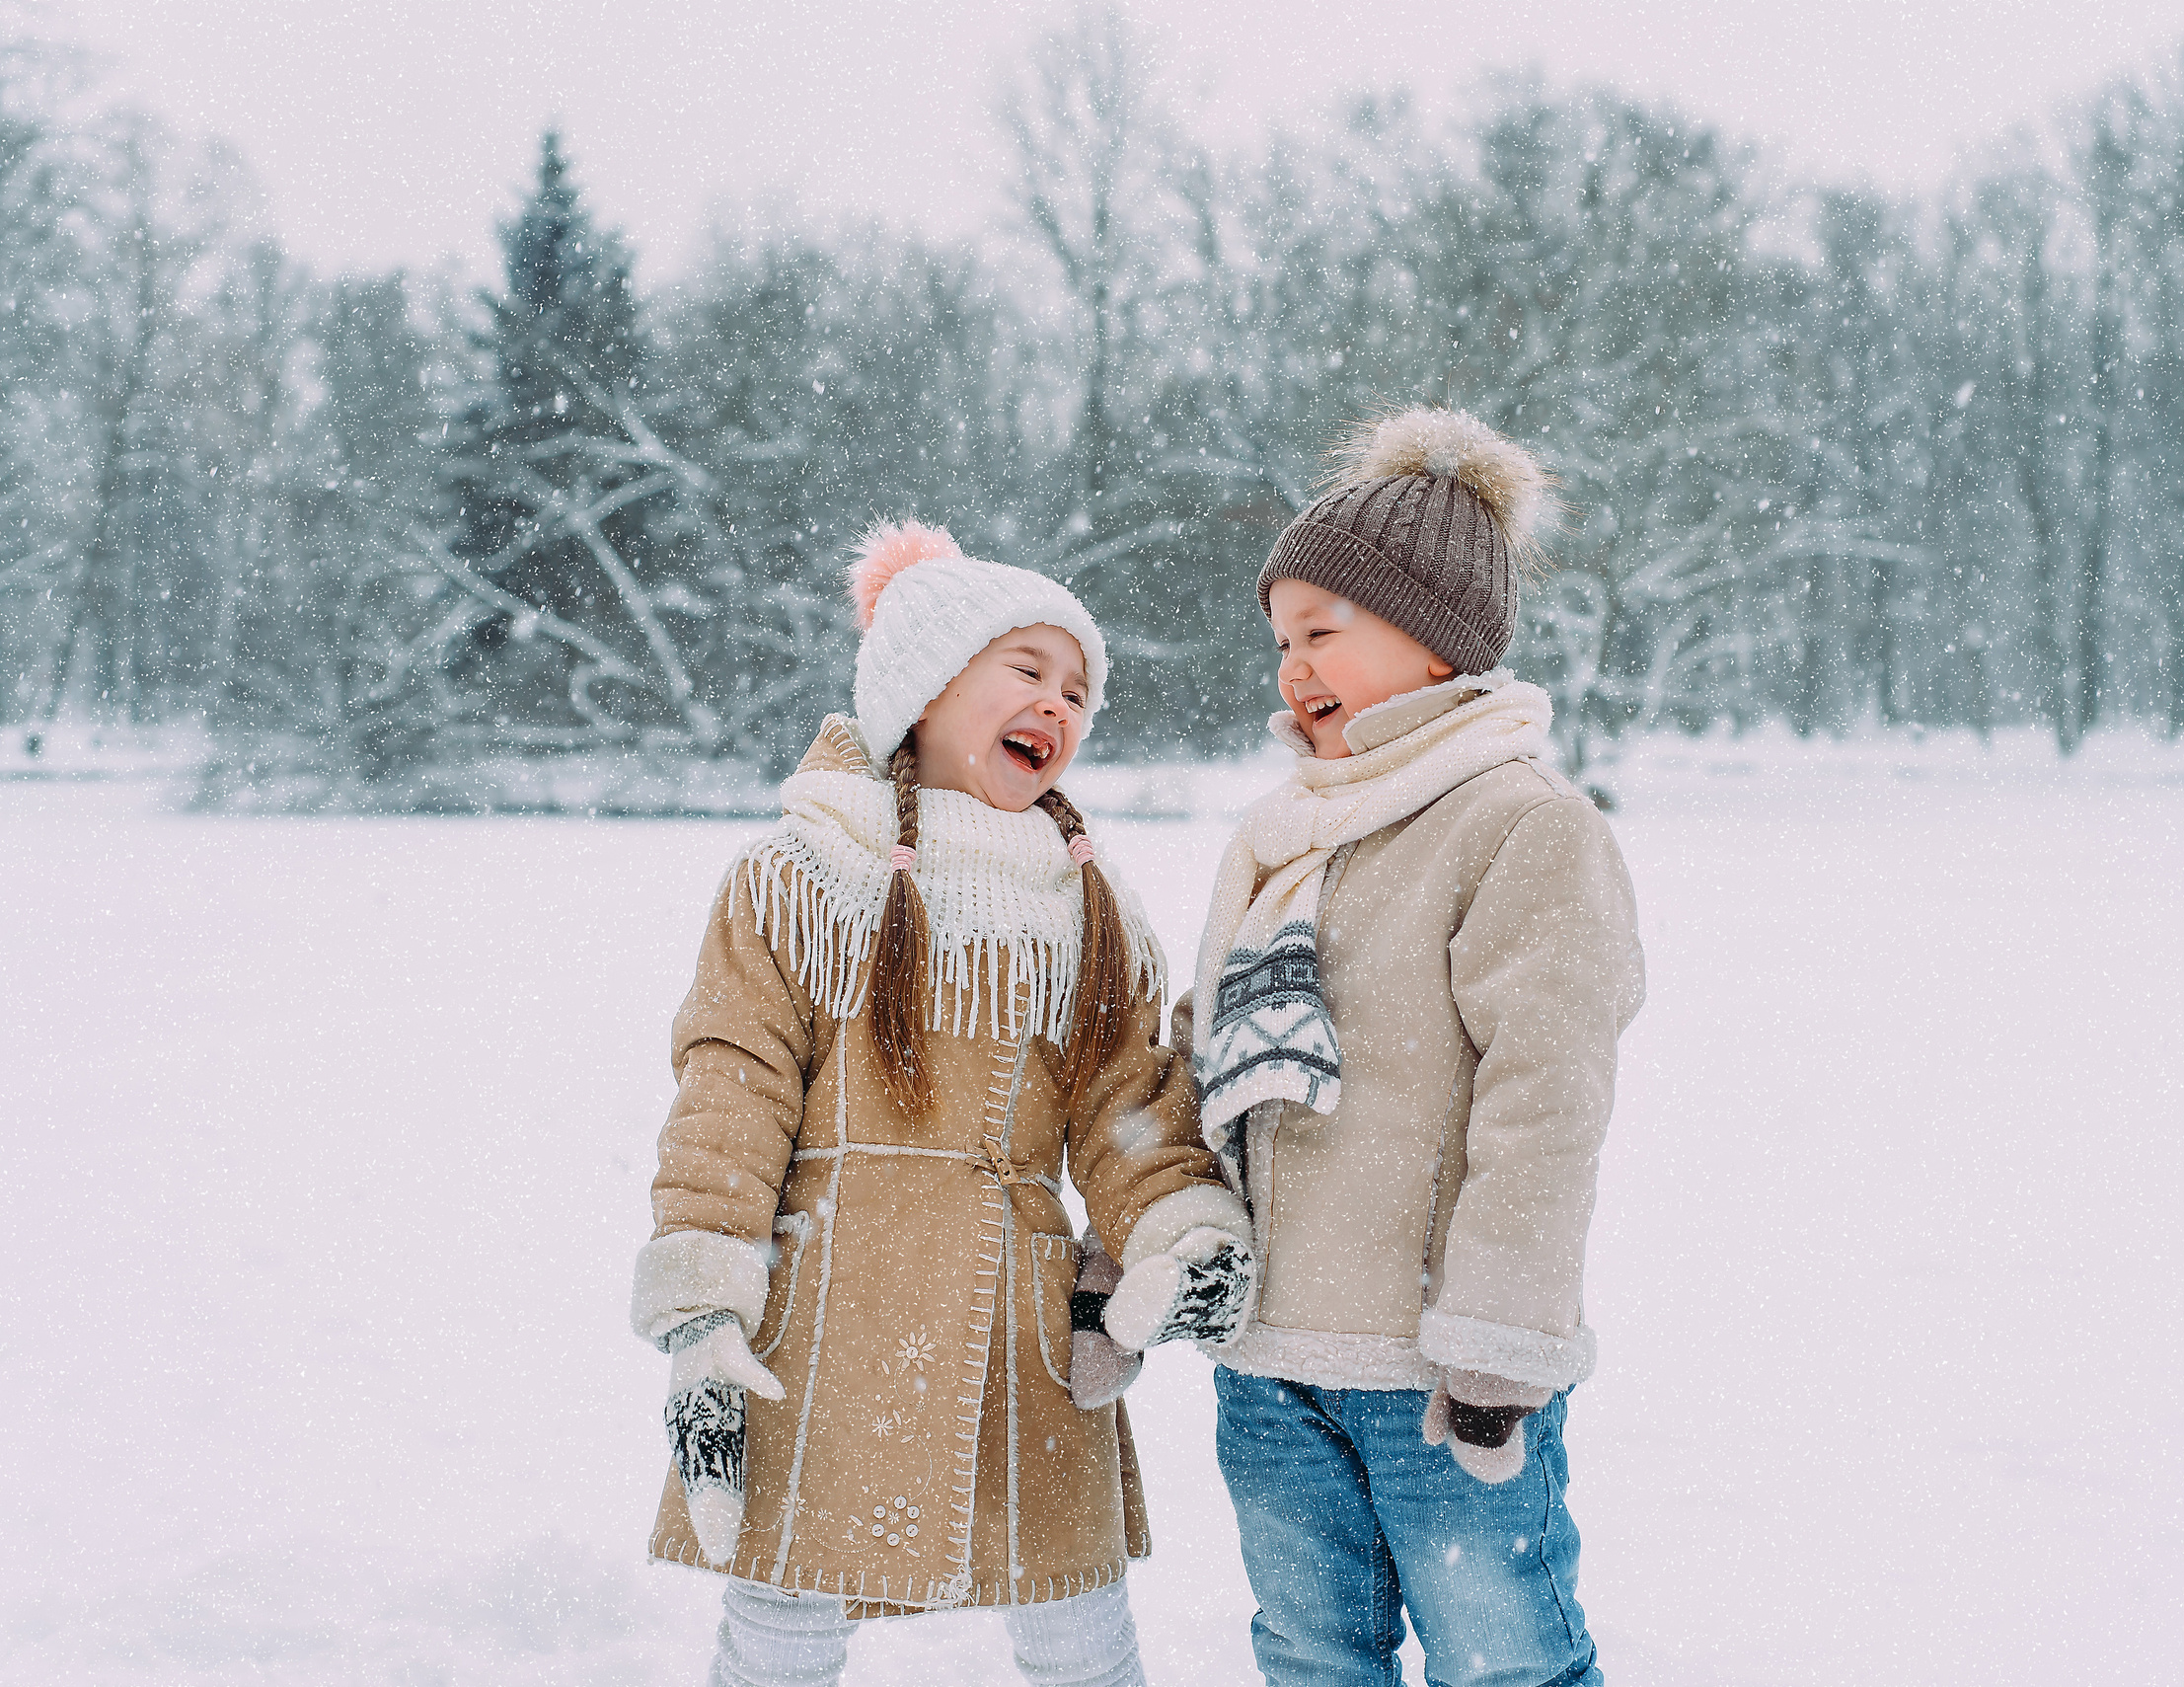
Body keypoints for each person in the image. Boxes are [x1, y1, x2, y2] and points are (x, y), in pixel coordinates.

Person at [631, 521, 1255, 1687]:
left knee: (1074, 1605)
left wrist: (1176, 1229)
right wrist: (704, 1297)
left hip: (1016, 1309)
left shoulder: (1088, 905)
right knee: (784, 1604)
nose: (1057, 704)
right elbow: (733, 1084)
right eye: (1026, 669)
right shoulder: (802, 873)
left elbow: (1128, 1107)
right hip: (818, 1301)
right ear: (922, 687)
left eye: (1078, 689)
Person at [1189, 409, 1645, 1687]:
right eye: (1280, 638)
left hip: (1441, 1375)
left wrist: (1501, 1336)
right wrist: (1156, 1250)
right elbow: (1205, 1066)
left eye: (1322, 630)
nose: (1292, 666)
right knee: (1309, 1655)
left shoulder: (1520, 827)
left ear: (1435, 634)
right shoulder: (1284, 835)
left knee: (1506, 1663)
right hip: (1270, 1362)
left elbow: (1543, 1104)